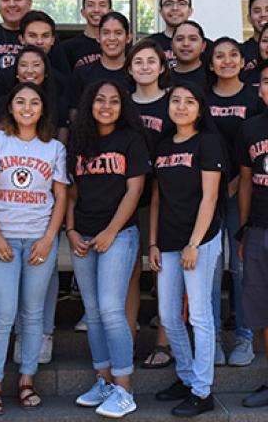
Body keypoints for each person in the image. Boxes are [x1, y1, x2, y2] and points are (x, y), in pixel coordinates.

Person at [0, 82, 68, 414]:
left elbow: (61, 198)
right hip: (4, 239)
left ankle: (27, 379)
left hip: (39, 240)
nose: (27, 107)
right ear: (10, 107)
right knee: (3, 314)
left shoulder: (54, 148)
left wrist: (48, 239)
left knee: (33, 315)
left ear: (43, 108)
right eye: (20, 101)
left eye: (34, 102)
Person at [67, 80, 150, 418]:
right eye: (100, 100)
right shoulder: (78, 141)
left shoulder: (131, 139)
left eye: (114, 101)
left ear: (123, 106)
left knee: (113, 310)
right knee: (93, 310)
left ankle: (124, 388)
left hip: (119, 235)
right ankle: (103, 381)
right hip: (82, 235)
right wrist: (70, 230)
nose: (106, 106)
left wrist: (111, 231)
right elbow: (70, 192)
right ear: (90, 104)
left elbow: (135, 190)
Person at [151, 82, 225, 417]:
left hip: (201, 239)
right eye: (176, 101)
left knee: (199, 315)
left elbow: (210, 198)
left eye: (189, 101)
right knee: (167, 314)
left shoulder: (208, 142)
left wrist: (195, 244)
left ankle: (203, 390)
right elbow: (156, 197)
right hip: (167, 240)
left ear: (200, 108)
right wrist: (152, 242)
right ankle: (185, 376)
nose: (181, 106)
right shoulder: (163, 145)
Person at [207, 37, 263, 367]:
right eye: (219, 56)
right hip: (205, 197)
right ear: (210, 63)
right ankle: (211, 336)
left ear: (243, 62)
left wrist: (231, 186)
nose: (226, 61)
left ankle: (244, 336)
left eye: (233, 56)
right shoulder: (202, 95)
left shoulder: (253, 98)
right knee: (210, 271)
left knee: (241, 269)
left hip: (240, 194)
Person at [123, 38, 175, 369]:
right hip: (127, 197)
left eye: (150, 61)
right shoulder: (122, 104)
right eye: (138, 61)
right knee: (128, 272)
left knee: (163, 272)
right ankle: (125, 341)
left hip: (167, 198)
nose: (144, 67)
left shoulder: (174, 103)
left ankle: (164, 341)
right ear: (129, 68)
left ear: (161, 67)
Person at [236, 60, 268, 408]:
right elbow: (245, 182)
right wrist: (244, 230)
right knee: (263, 310)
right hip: (260, 228)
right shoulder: (251, 128)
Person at [0, 45, 69, 143]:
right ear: (16, 71)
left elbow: (61, 145)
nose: (29, 71)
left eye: (36, 65)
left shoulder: (59, 104)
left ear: (46, 71)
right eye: (23, 65)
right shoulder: (2, 103)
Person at [0, 10, 70, 104]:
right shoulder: (4, 78)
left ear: (52, 40)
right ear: (21, 39)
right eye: (32, 36)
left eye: (45, 36)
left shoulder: (61, 80)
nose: (39, 41)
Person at [70, 12, 133, 116]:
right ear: (98, 37)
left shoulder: (137, 74)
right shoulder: (82, 73)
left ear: (128, 38)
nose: (112, 38)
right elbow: (74, 113)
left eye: (118, 33)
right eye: (106, 33)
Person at [63, 0, 112, 70]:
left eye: (102, 5)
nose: (96, 10)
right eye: (90, 5)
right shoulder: (67, 48)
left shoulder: (118, 45)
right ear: (83, 12)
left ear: (110, 12)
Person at [149, 0, 193, 68]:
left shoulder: (205, 47)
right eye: (168, 4)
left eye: (181, 3)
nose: (175, 8)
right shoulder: (149, 44)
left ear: (190, 11)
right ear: (161, 12)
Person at [170, 21, 209, 90]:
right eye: (179, 39)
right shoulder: (161, 77)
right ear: (172, 45)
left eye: (193, 39)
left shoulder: (213, 77)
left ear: (203, 46)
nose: (186, 44)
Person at [240, 0, 268, 74]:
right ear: (249, 18)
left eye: (267, 10)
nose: (263, 14)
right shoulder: (241, 52)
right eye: (257, 11)